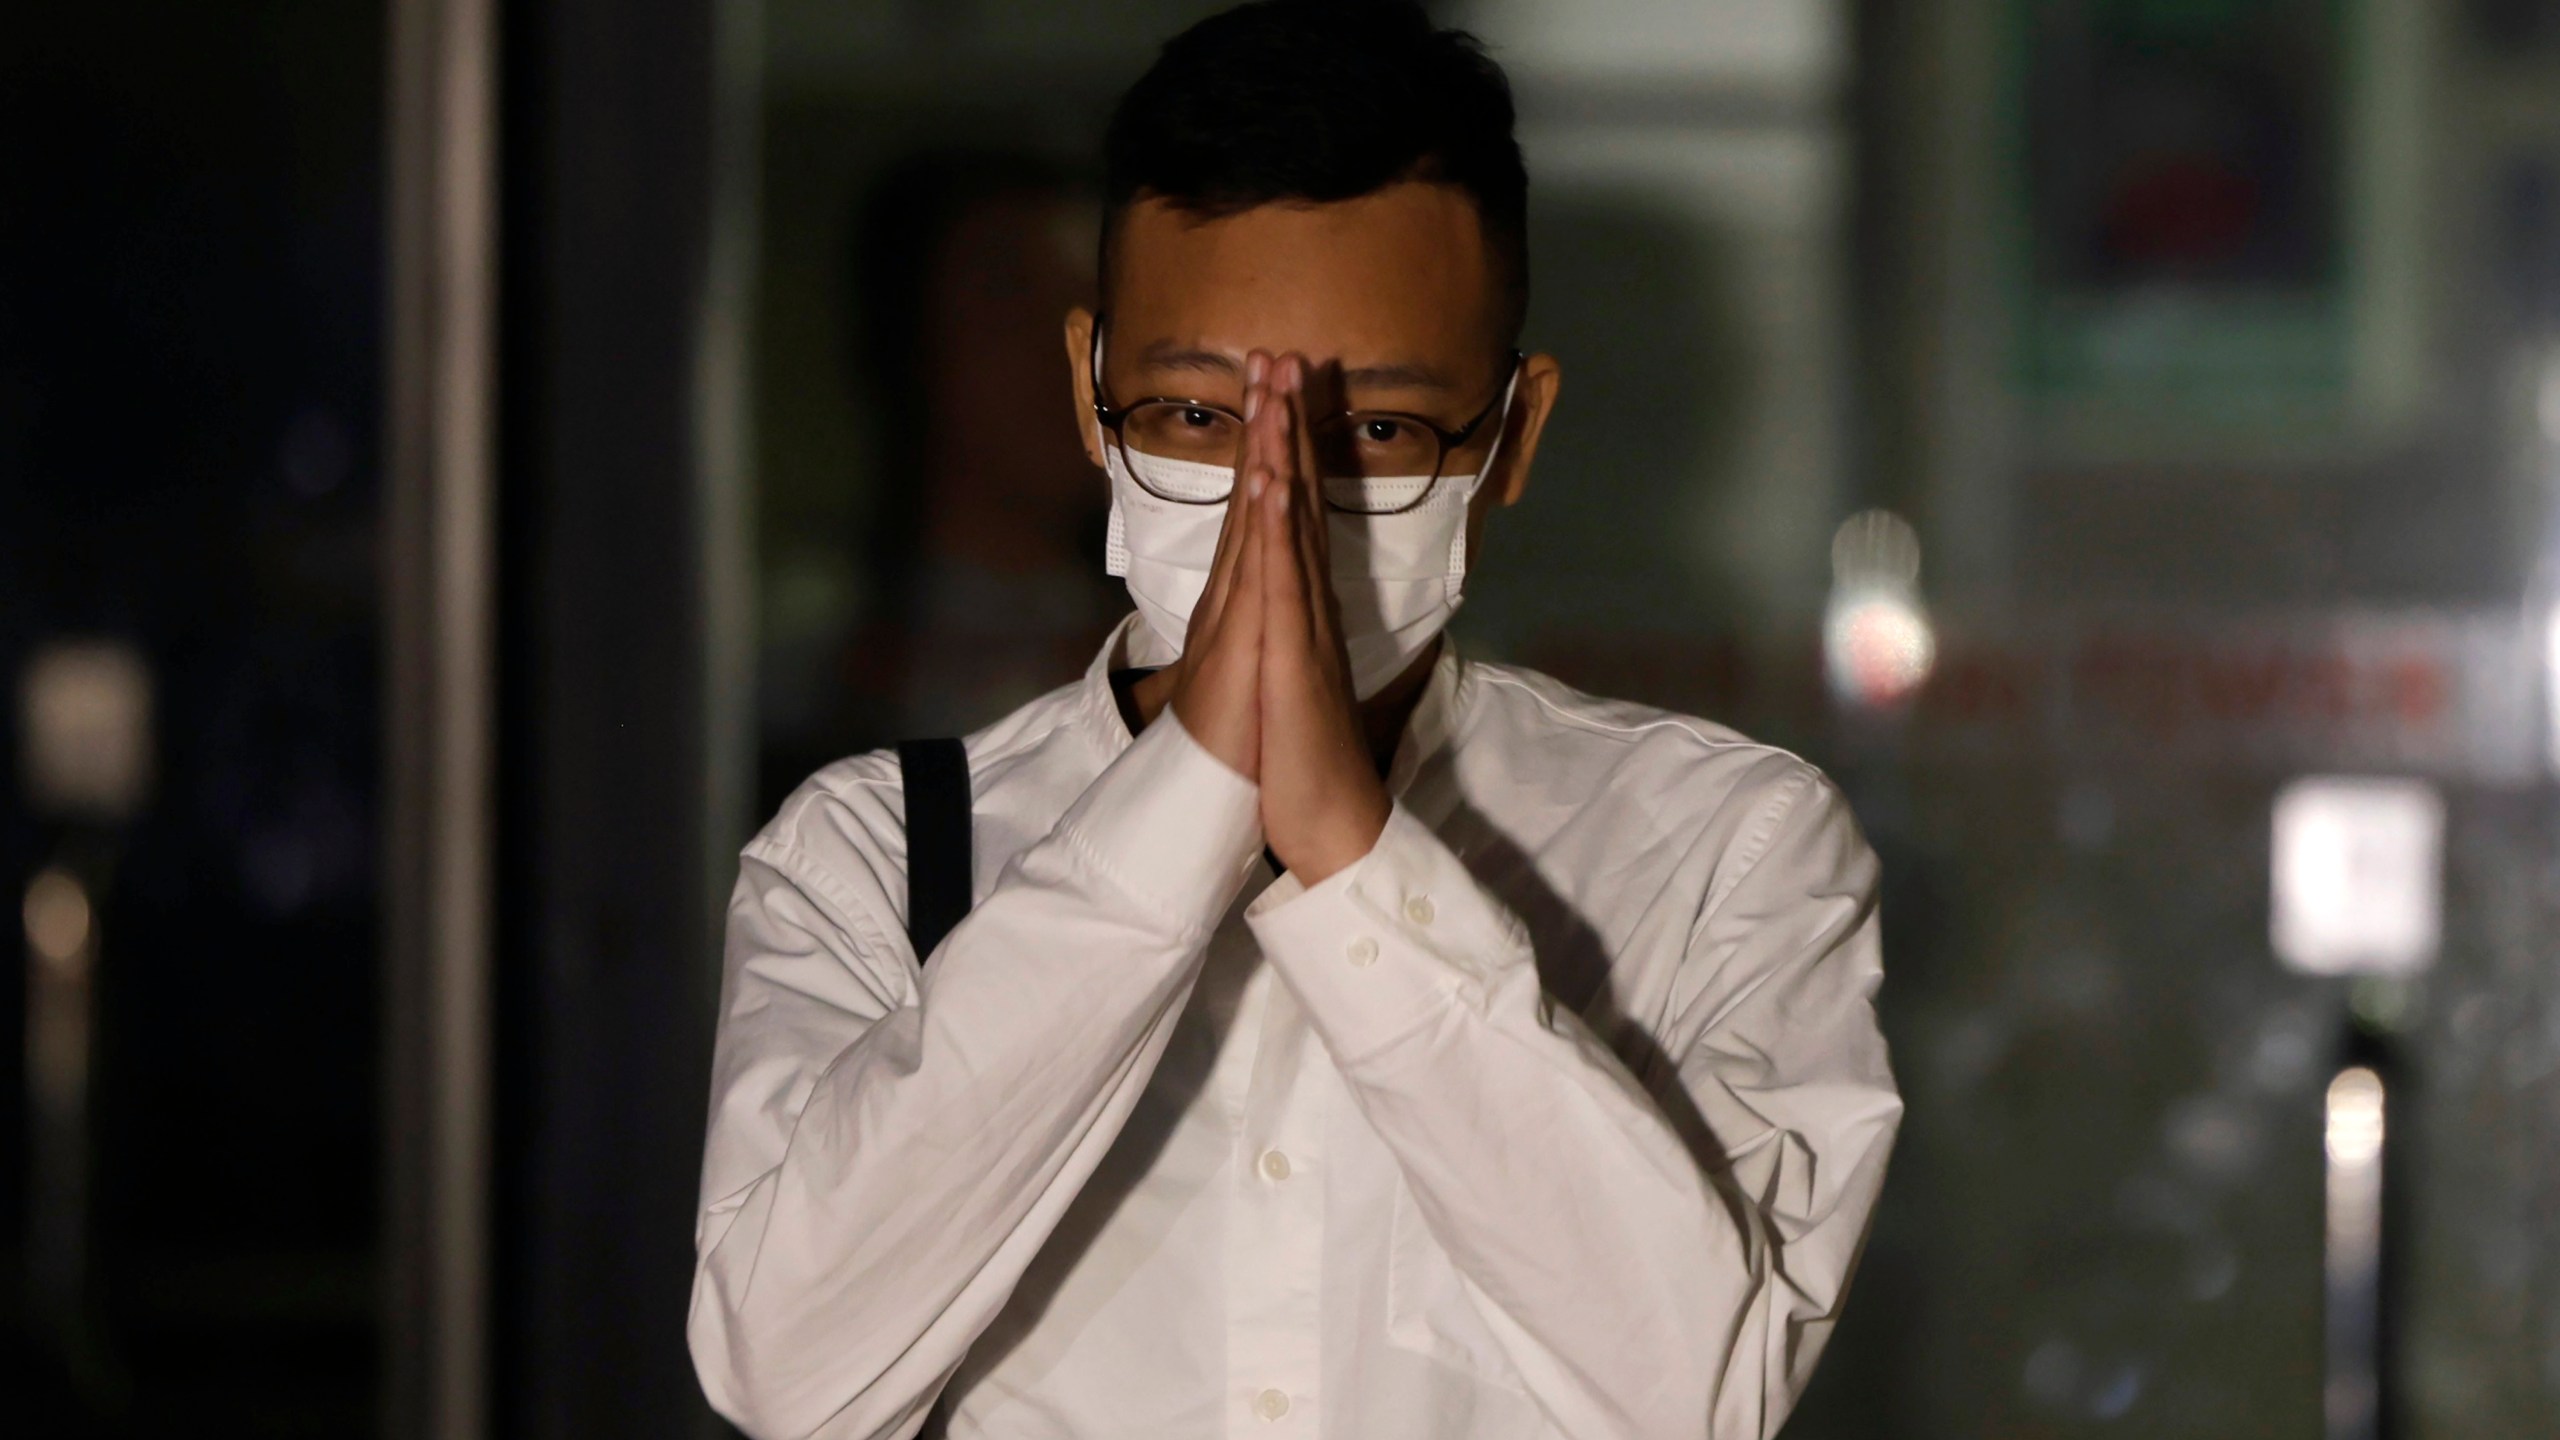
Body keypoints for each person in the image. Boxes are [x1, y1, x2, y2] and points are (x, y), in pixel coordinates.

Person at [688, 4, 1900, 1437]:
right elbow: (784, 1369)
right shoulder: (875, 858)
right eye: (1201, 417)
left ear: (1509, 437)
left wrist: (1354, 866)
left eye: (1375, 432)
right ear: (1094, 396)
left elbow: (1702, 1395)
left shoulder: (1715, 855)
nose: (1278, 494)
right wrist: (1179, 806)